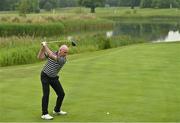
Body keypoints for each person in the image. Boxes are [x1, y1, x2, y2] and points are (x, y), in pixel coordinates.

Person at [37, 41, 68, 120]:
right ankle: (44, 114)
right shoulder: (54, 52)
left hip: (53, 77)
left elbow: (51, 55)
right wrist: (43, 47)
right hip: (45, 76)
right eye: (65, 52)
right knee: (46, 94)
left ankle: (56, 110)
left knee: (61, 94)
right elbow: (40, 57)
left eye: (67, 52)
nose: (66, 54)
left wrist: (45, 45)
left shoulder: (63, 59)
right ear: (60, 50)